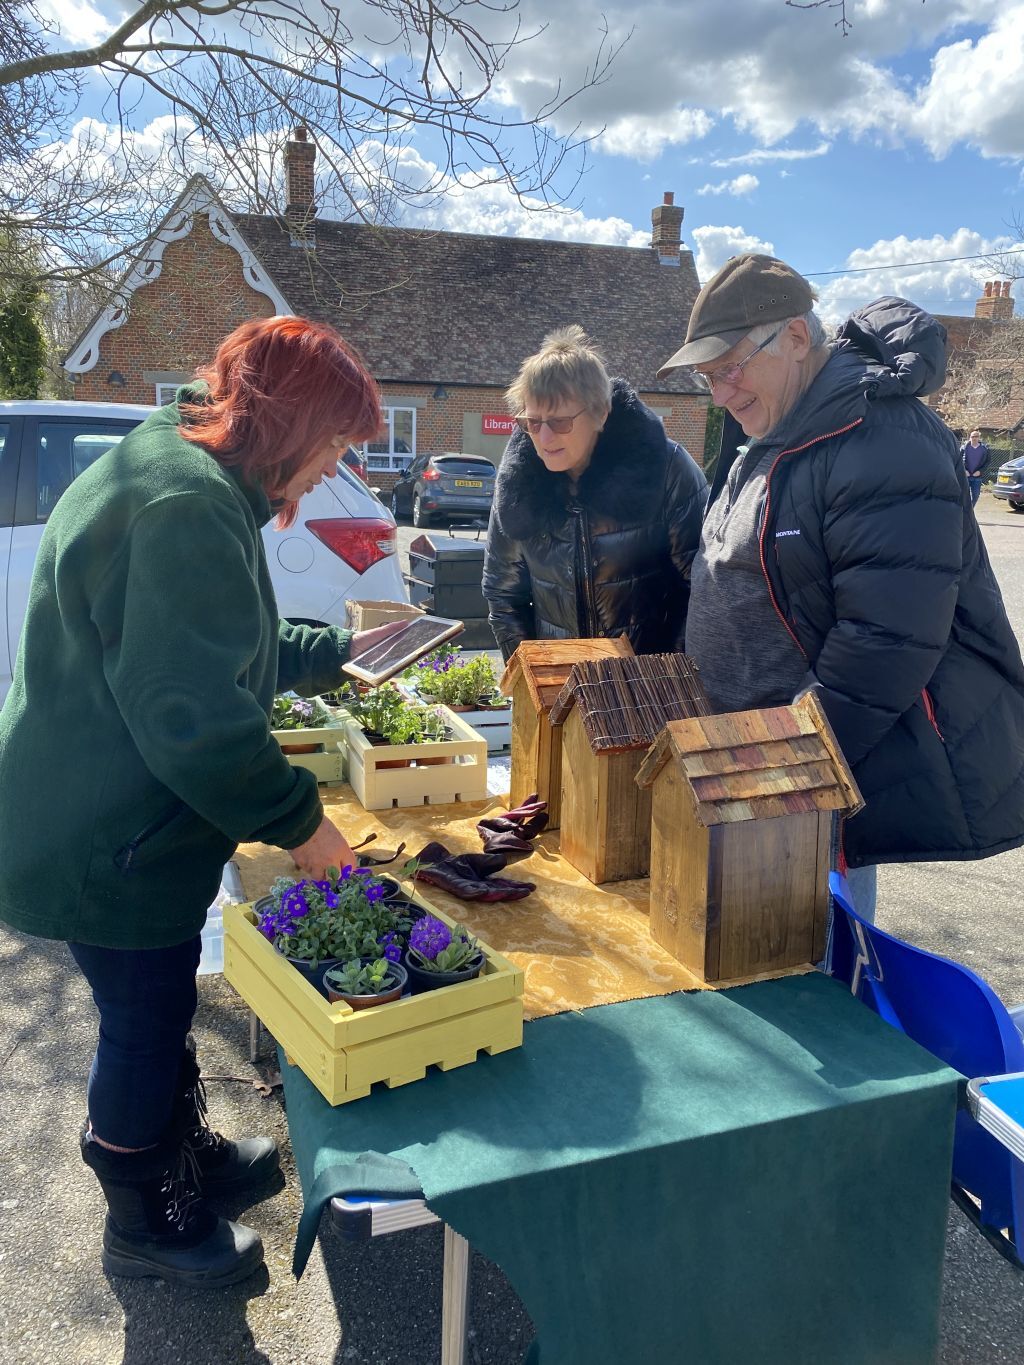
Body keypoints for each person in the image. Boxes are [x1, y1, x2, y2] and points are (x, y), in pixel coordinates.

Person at [0, 316, 407, 1288]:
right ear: (291, 423)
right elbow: (190, 716)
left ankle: (180, 1151)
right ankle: (147, 1215)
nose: (330, 471)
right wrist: (306, 828)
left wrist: (330, 656)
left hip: (105, 815)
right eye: (336, 446)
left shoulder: (185, 459)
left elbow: (214, 642)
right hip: (104, 839)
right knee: (141, 1018)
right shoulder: (183, 506)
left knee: (160, 999)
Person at [658, 255, 1024, 920]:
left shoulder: (882, 438)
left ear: (796, 338)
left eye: (729, 367)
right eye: (707, 376)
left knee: (806, 982)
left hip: (798, 795)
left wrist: (779, 775)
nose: (719, 392)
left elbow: (886, 641)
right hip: (746, 771)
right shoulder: (776, 426)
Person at [483, 325, 707, 661]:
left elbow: (702, 589)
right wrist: (536, 680)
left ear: (600, 412)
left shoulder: (666, 467)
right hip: (560, 686)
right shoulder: (518, 486)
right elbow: (503, 596)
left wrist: (664, 674)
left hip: (650, 689)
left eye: (560, 422)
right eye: (532, 422)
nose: (544, 438)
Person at [961, 429, 991, 507]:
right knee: (963, 495)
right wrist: (964, 470)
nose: (974, 438)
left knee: (975, 495)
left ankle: (969, 510)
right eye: (972, 436)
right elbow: (958, 460)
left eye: (976, 436)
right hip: (965, 476)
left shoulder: (985, 449)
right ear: (969, 437)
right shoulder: (964, 448)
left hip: (977, 477)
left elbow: (987, 462)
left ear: (979, 438)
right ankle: (965, 511)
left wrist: (980, 471)